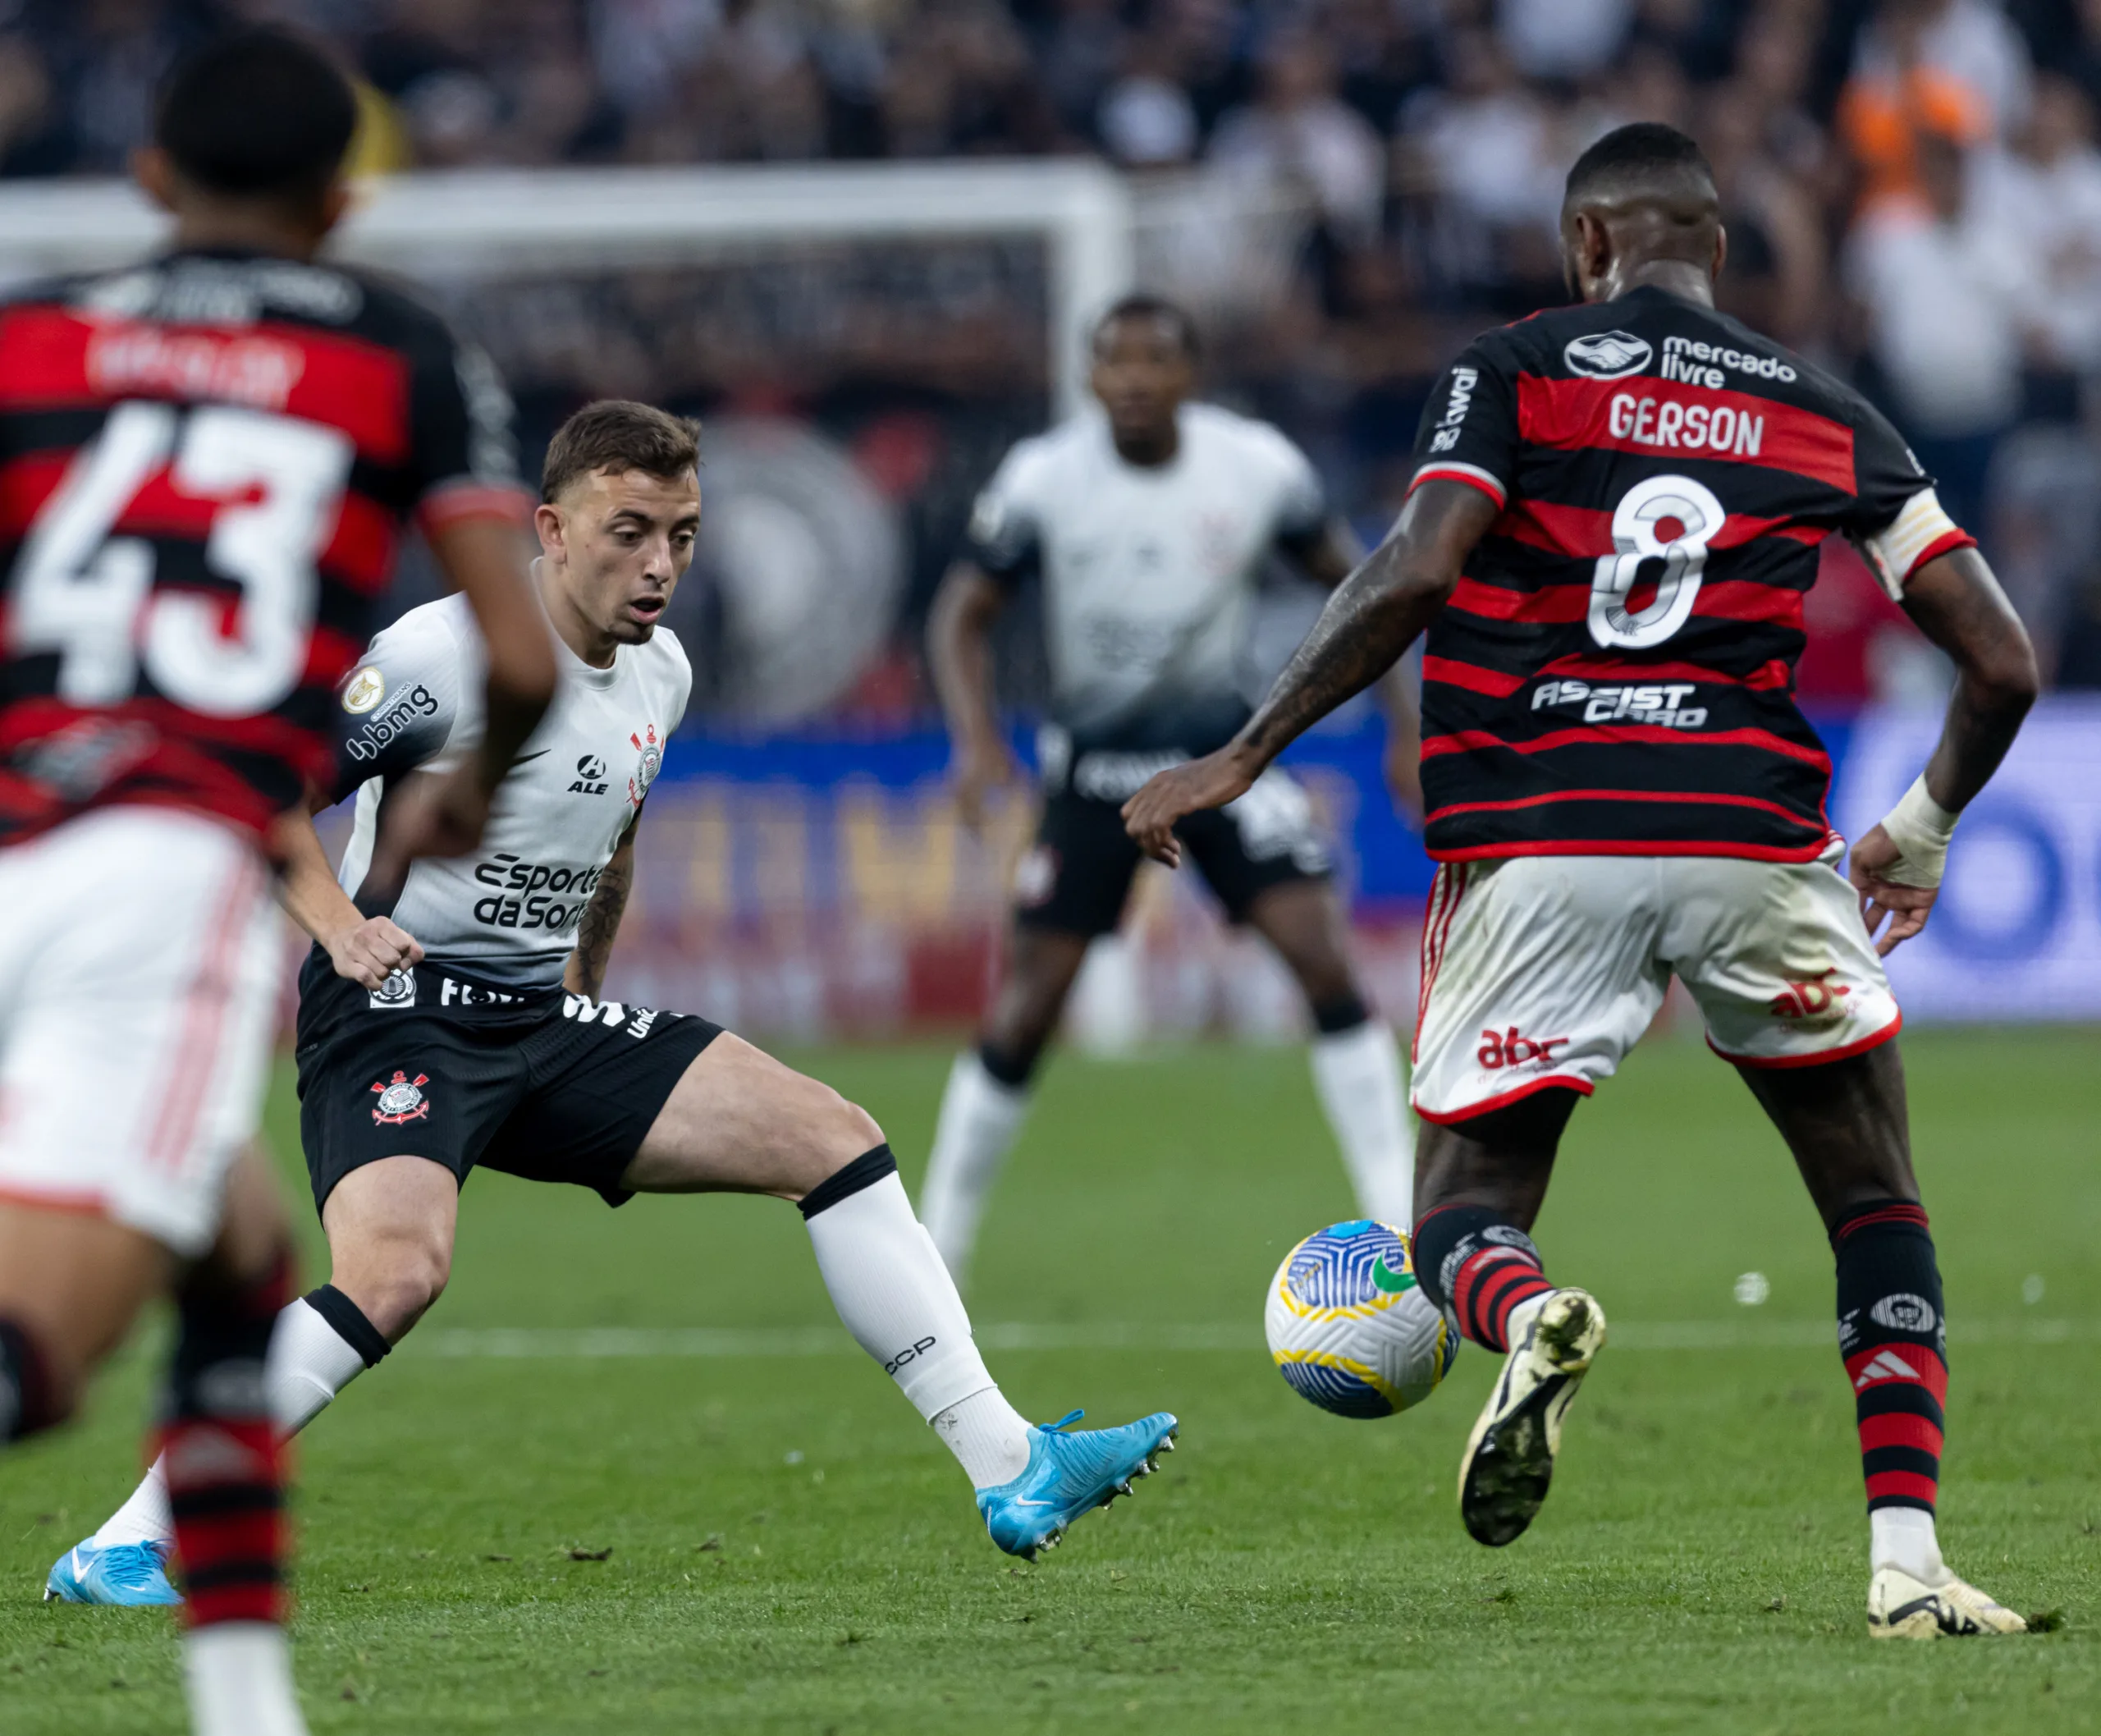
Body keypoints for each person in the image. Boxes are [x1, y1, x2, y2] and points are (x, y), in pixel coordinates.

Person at [1124, 123, 2039, 1641]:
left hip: (1546, 837)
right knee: (1875, 1198)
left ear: (1588, 246)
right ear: (1719, 253)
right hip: (1757, 840)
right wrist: (1924, 830)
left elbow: (1419, 567)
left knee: (1462, 1215)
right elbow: (2003, 659)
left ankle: (1523, 1307)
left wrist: (1240, 752)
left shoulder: (1516, 365)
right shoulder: (1824, 407)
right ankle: (1906, 1563)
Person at [57, 400, 1177, 1609]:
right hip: (399, 1012)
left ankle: (1009, 1463)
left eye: (683, 535)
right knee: (395, 1269)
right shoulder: (441, 656)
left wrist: (587, 975)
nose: (660, 565)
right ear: (550, 526)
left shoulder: (665, 669)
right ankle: (130, 1538)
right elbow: (263, 789)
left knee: (835, 1139)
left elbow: (616, 828)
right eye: (629, 530)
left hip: (539, 1018)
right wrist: (340, 925)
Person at [0, 29, 558, 1736]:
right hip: (159, 872)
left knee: (247, 1271)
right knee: (42, 1355)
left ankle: (248, 1707)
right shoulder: (393, 349)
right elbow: (521, 656)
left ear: (149, 178)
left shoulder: (30, 337)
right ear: (342, 200)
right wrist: (457, 798)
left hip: (23, 817)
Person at [921, 294, 1420, 1289]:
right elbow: (960, 614)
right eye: (1117, 362)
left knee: (1321, 959)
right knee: (1025, 1008)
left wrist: (1405, 727)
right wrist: (977, 745)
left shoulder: (1256, 467)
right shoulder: (1042, 480)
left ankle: (1401, 1225)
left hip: (1221, 757)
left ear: (1189, 376)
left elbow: (1369, 588)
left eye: (1157, 361)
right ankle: (936, 1246)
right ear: (1090, 375)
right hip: (1093, 770)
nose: (1137, 379)